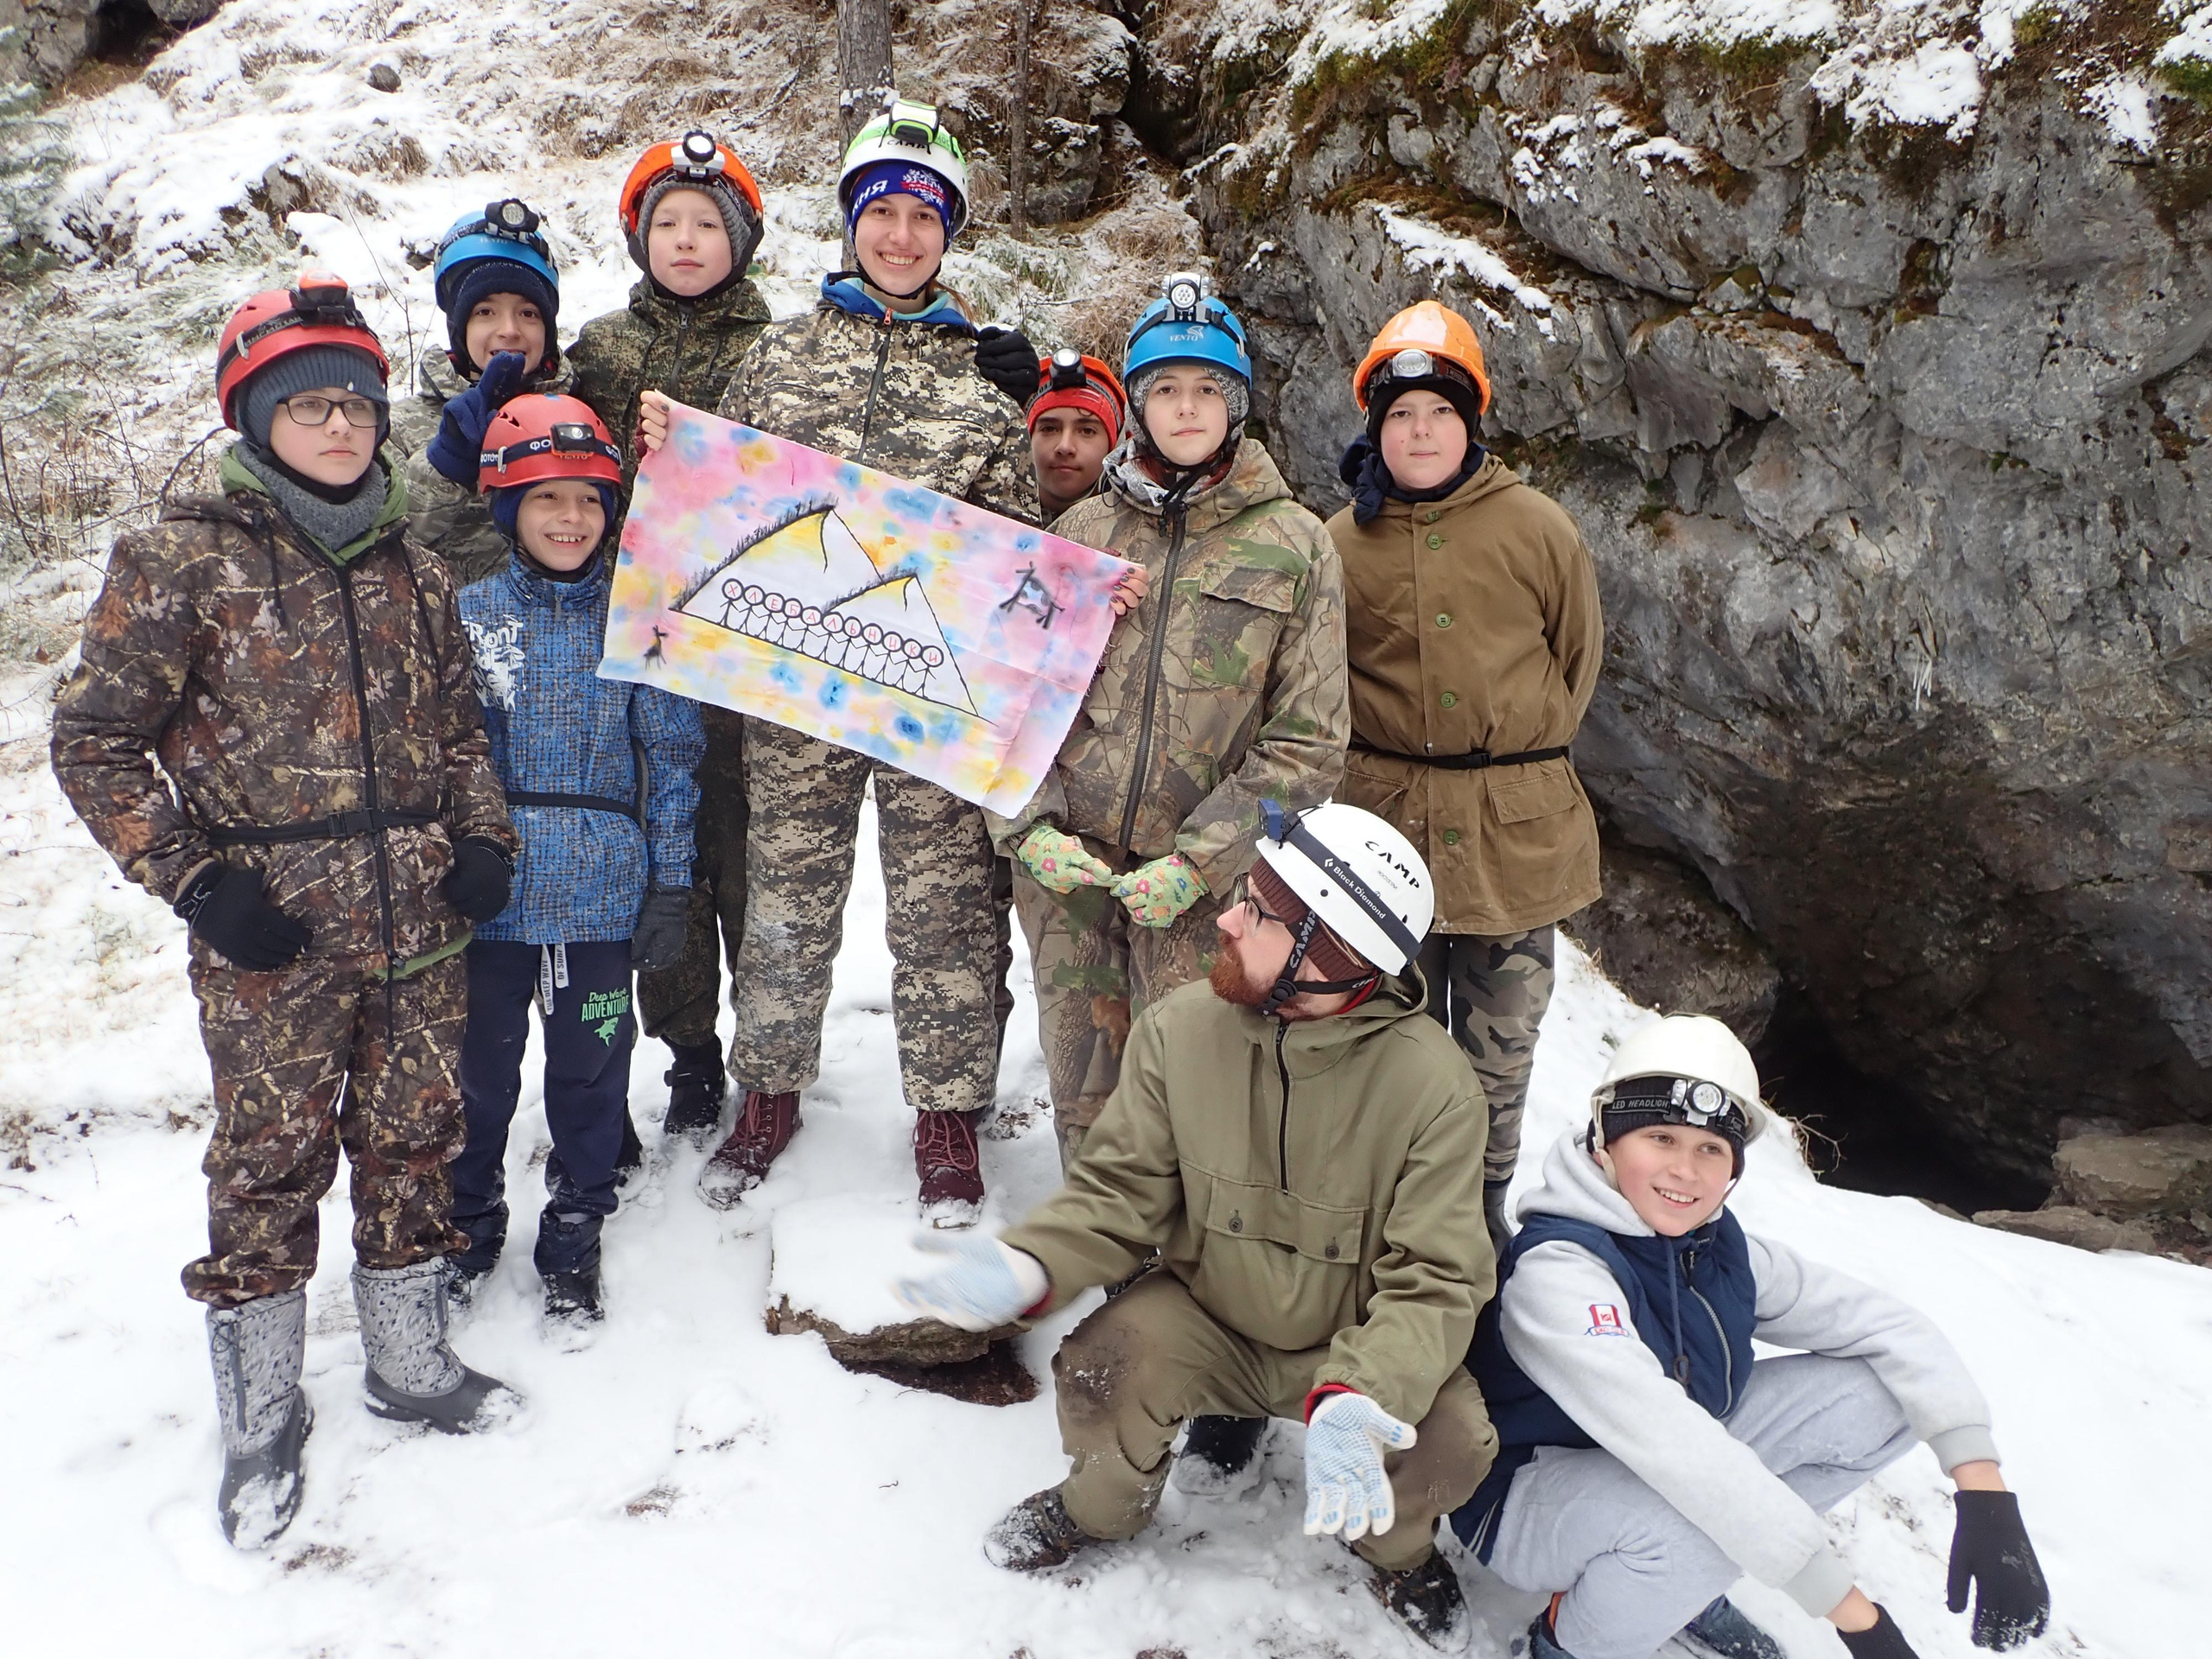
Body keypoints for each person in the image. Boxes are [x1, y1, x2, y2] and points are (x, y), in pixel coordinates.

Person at [49, 275, 523, 1549]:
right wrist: (197, 882)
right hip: (273, 942)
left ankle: (410, 1364)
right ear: (254, 418)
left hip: (421, 928)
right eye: (309, 406)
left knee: (419, 1137)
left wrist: (481, 840)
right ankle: (260, 1413)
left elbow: (464, 729)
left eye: (358, 406)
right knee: (266, 1168)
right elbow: (95, 745)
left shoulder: (417, 567)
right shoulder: (180, 560)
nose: (340, 428)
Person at [895, 804, 1497, 1652]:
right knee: (1102, 1368)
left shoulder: (1434, 1089)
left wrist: (1362, 1395)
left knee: (1449, 1439)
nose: (1225, 918)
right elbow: (1119, 1188)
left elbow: (1435, 1279)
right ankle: (1098, 1512)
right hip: (1209, 1317)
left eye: (1256, 912)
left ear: (1322, 956)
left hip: (1349, 1347)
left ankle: (1397, 1551)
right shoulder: (1181, 1029)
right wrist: (1033, 1263)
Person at [635, 94, 1044, 1225]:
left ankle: (950, 1115)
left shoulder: (983, 381)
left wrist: (1034, 412)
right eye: (883, 213)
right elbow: (716, 510)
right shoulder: (776, 362)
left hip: (928, 691)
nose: (902, 236)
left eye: (925, 217)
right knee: (785, 896)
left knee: (949, 907)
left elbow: (1023, 554)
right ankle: (768, 1092)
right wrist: (670, 451)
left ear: (949, 234)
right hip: (800, 683)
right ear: (851, 223)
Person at [1456, 1015, 2052, 1659]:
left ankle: (1676, 1586)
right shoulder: (1560, 1272)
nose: (1685, 1172)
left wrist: (1985, 1495)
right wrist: (1856, 1617)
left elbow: (1890, 1326)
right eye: (1660, 1138)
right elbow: (1677, 1450)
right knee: (1691, 1528)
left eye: (1711, 1150)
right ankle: (1566, 1642)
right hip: (1522, 1498)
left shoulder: (1710, 1248)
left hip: (1642, 1469)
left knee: (1882, 1394)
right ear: (1605, 1141)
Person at [987, 271, 1346, 1170]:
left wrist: (1200, 862)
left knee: (1192, 1097)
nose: (1186, 410)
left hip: (1206, 892)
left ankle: (1183, 1287)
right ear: (1137, 408)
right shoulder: (1083, 532)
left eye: (1206, 391)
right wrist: (1025, 829)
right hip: (1071, 873)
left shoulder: (1295, 543)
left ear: (1236, 405)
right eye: (1164, 391)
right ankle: (1103, 1274)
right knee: (1083, 1091)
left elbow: (1309, 740)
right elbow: (1006, 696)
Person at [1327, 300, 1603, 1251]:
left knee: (1497, 1049)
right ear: (1375, 427)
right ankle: (1383, 1222)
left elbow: (1576, 663)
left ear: (1470, 420)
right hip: (1381, 828)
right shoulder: (1337, 540)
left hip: (1511, 841)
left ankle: (1477, 1224)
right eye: (1400, 415)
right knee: (1378, 1042)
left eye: (1439, 412)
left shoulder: (1537, 527)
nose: (1419, 431)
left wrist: (1505, 762)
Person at [446, 395, 705, 1327]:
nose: (570, 518)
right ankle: (469, 1221)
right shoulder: (469, 615)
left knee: (591, 1070)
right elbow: (443, 750)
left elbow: (672, 763)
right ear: (507, 507)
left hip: (601, 888)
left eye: (590, 500)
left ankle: (576, 1220)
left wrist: (670, 883)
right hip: (491, 890)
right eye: (547, 497)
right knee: (479, 1069)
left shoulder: (641, 620)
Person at [568, 131, 774, 1153]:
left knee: (748, 860)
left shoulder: (780, 348)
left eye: (707, 224)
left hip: (749, 657)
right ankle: (688, 1053)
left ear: (741, 240)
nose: (687, 241)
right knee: (670, 859)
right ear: (638, 237)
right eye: (668, 225)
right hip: (640, 656)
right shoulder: (600, 350)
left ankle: (768, 1059)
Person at [392, 196, 569, 587]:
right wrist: (445, 464)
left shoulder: (580, 410)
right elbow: (383, 536)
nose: (509, 329)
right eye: (485, 312)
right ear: (459, 328)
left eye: (528, 313)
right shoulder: (400, 425)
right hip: (449, 637)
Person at [1027, 347, 1125, 522]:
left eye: (1087, 431)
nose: (1065, 447)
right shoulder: (986, 508)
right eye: (1049, 429)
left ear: (1115, 447)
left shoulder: (1142, 528)